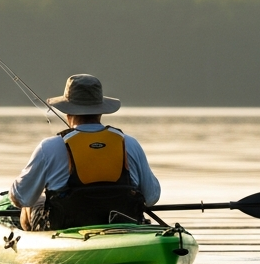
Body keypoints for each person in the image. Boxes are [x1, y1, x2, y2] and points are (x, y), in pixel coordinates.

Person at [10, 74, 161, 231]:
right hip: (123, 223)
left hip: (66, 227)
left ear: (67, 112)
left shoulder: (48, 147)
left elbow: (21, 198)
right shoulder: (130, 144)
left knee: (32, 203)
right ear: (101, 111)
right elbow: (151, 197)